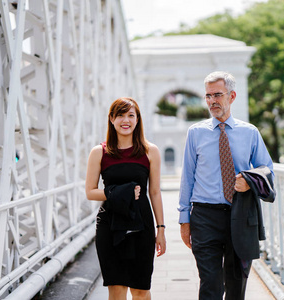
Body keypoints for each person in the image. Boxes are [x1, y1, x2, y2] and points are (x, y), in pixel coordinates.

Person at [178, 71, 274, 300]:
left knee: (236, 285)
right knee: (210, 285)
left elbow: (267, 169)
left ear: (232, 96)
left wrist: (250, 184)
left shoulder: (250, 132)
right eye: (208, 96)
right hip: (204, 216)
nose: (212, 101)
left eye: (217, 95)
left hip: (241, 215)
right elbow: (188, 177)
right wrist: (184, 218)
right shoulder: (196, 133)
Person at [86, 97, 166, 300]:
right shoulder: (99, 152)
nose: (125, 120)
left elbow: (155, 192)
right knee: (117, 290)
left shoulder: (150, 151)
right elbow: (90, 191)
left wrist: (161, 230)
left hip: (142, 225)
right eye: (120, 115)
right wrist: (121, 192)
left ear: (138, 120)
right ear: (111, 119)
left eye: (131, 115)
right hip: (110, 225)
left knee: (140, 290)